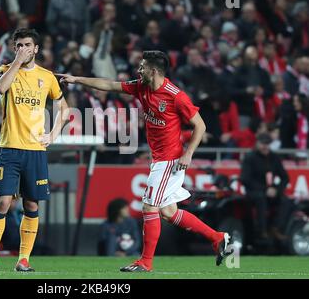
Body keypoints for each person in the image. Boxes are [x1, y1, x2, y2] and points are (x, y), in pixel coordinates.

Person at [57, 50, 229, 272]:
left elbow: (200, 125)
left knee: (149, 205)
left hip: (170, 160)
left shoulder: (175, 95)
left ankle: (145, 262)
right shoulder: (141, 86)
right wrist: (77, 80)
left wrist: (188, 154)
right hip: (159, 159)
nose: (138, 70)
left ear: (154, 71)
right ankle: (217, 238)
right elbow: (110, 85)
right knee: (168, 212)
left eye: (142, 67)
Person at [0, 28, 69, 272]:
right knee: (3, 202)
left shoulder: (47, 77)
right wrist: (16, 63)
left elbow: (64, 109)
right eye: (18, 45)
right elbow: (0, 89)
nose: (22, 49)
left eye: (27, 45)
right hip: (10, 148)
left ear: (36, 49)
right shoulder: (5, 70)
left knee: (31, 205)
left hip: (35, 150)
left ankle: (23, 259)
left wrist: (52, 135)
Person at [240, 133, 291, 241]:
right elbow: (245, 179)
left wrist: (277, 190)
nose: (265, 146)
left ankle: (276, 228)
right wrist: (265, 189)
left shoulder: (274, 158)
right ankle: (261, 231)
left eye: (267, 144)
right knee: (260, 198)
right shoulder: (250, 157)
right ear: (257, 143)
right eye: (263, 143)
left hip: (271, 191)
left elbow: (285, 177)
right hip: (254, 192)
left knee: (286, 201)